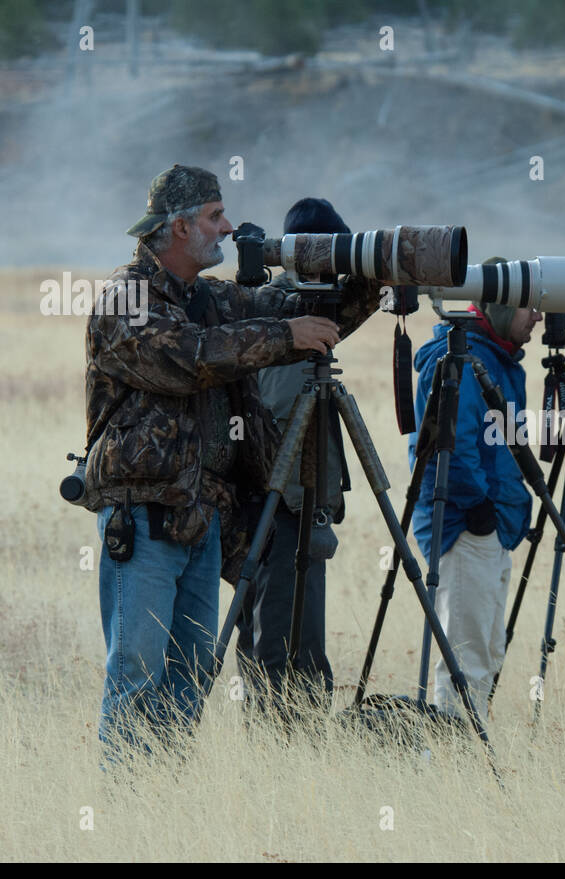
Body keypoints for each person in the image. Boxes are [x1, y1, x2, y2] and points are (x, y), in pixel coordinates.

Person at [81, 165, 377, 760]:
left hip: (203, 520)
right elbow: (191, 358)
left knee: (189, 677)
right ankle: (122, 805)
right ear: (180, 226)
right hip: (143, 519)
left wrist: (370, 273)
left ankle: (160, 794)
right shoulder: (127, 299)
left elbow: (289, 310)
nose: (228, 226)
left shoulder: (210, 298)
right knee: (138, 667)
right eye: (216, 216)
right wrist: (285, 332)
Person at [234, 197, 385, 723]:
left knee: (304, 639)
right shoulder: (269, 307)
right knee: (275, 642)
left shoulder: (317, 306)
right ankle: (278, 739)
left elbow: (365, 295)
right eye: (328, 251)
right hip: (272, 500)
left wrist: (383, 262)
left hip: (302, 499)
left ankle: (304, 737)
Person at [409, 258, 540, 723]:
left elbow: (504, 444)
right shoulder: (463, 359)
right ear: (503, 308)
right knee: (466, 657)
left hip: (494, 525)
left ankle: (466, 746)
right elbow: (453, 446)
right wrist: (478, 507)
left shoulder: (499, 361)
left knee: (487, 649)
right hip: (466, 528)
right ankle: (453, 760)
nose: (539, 317)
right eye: (530, 308)